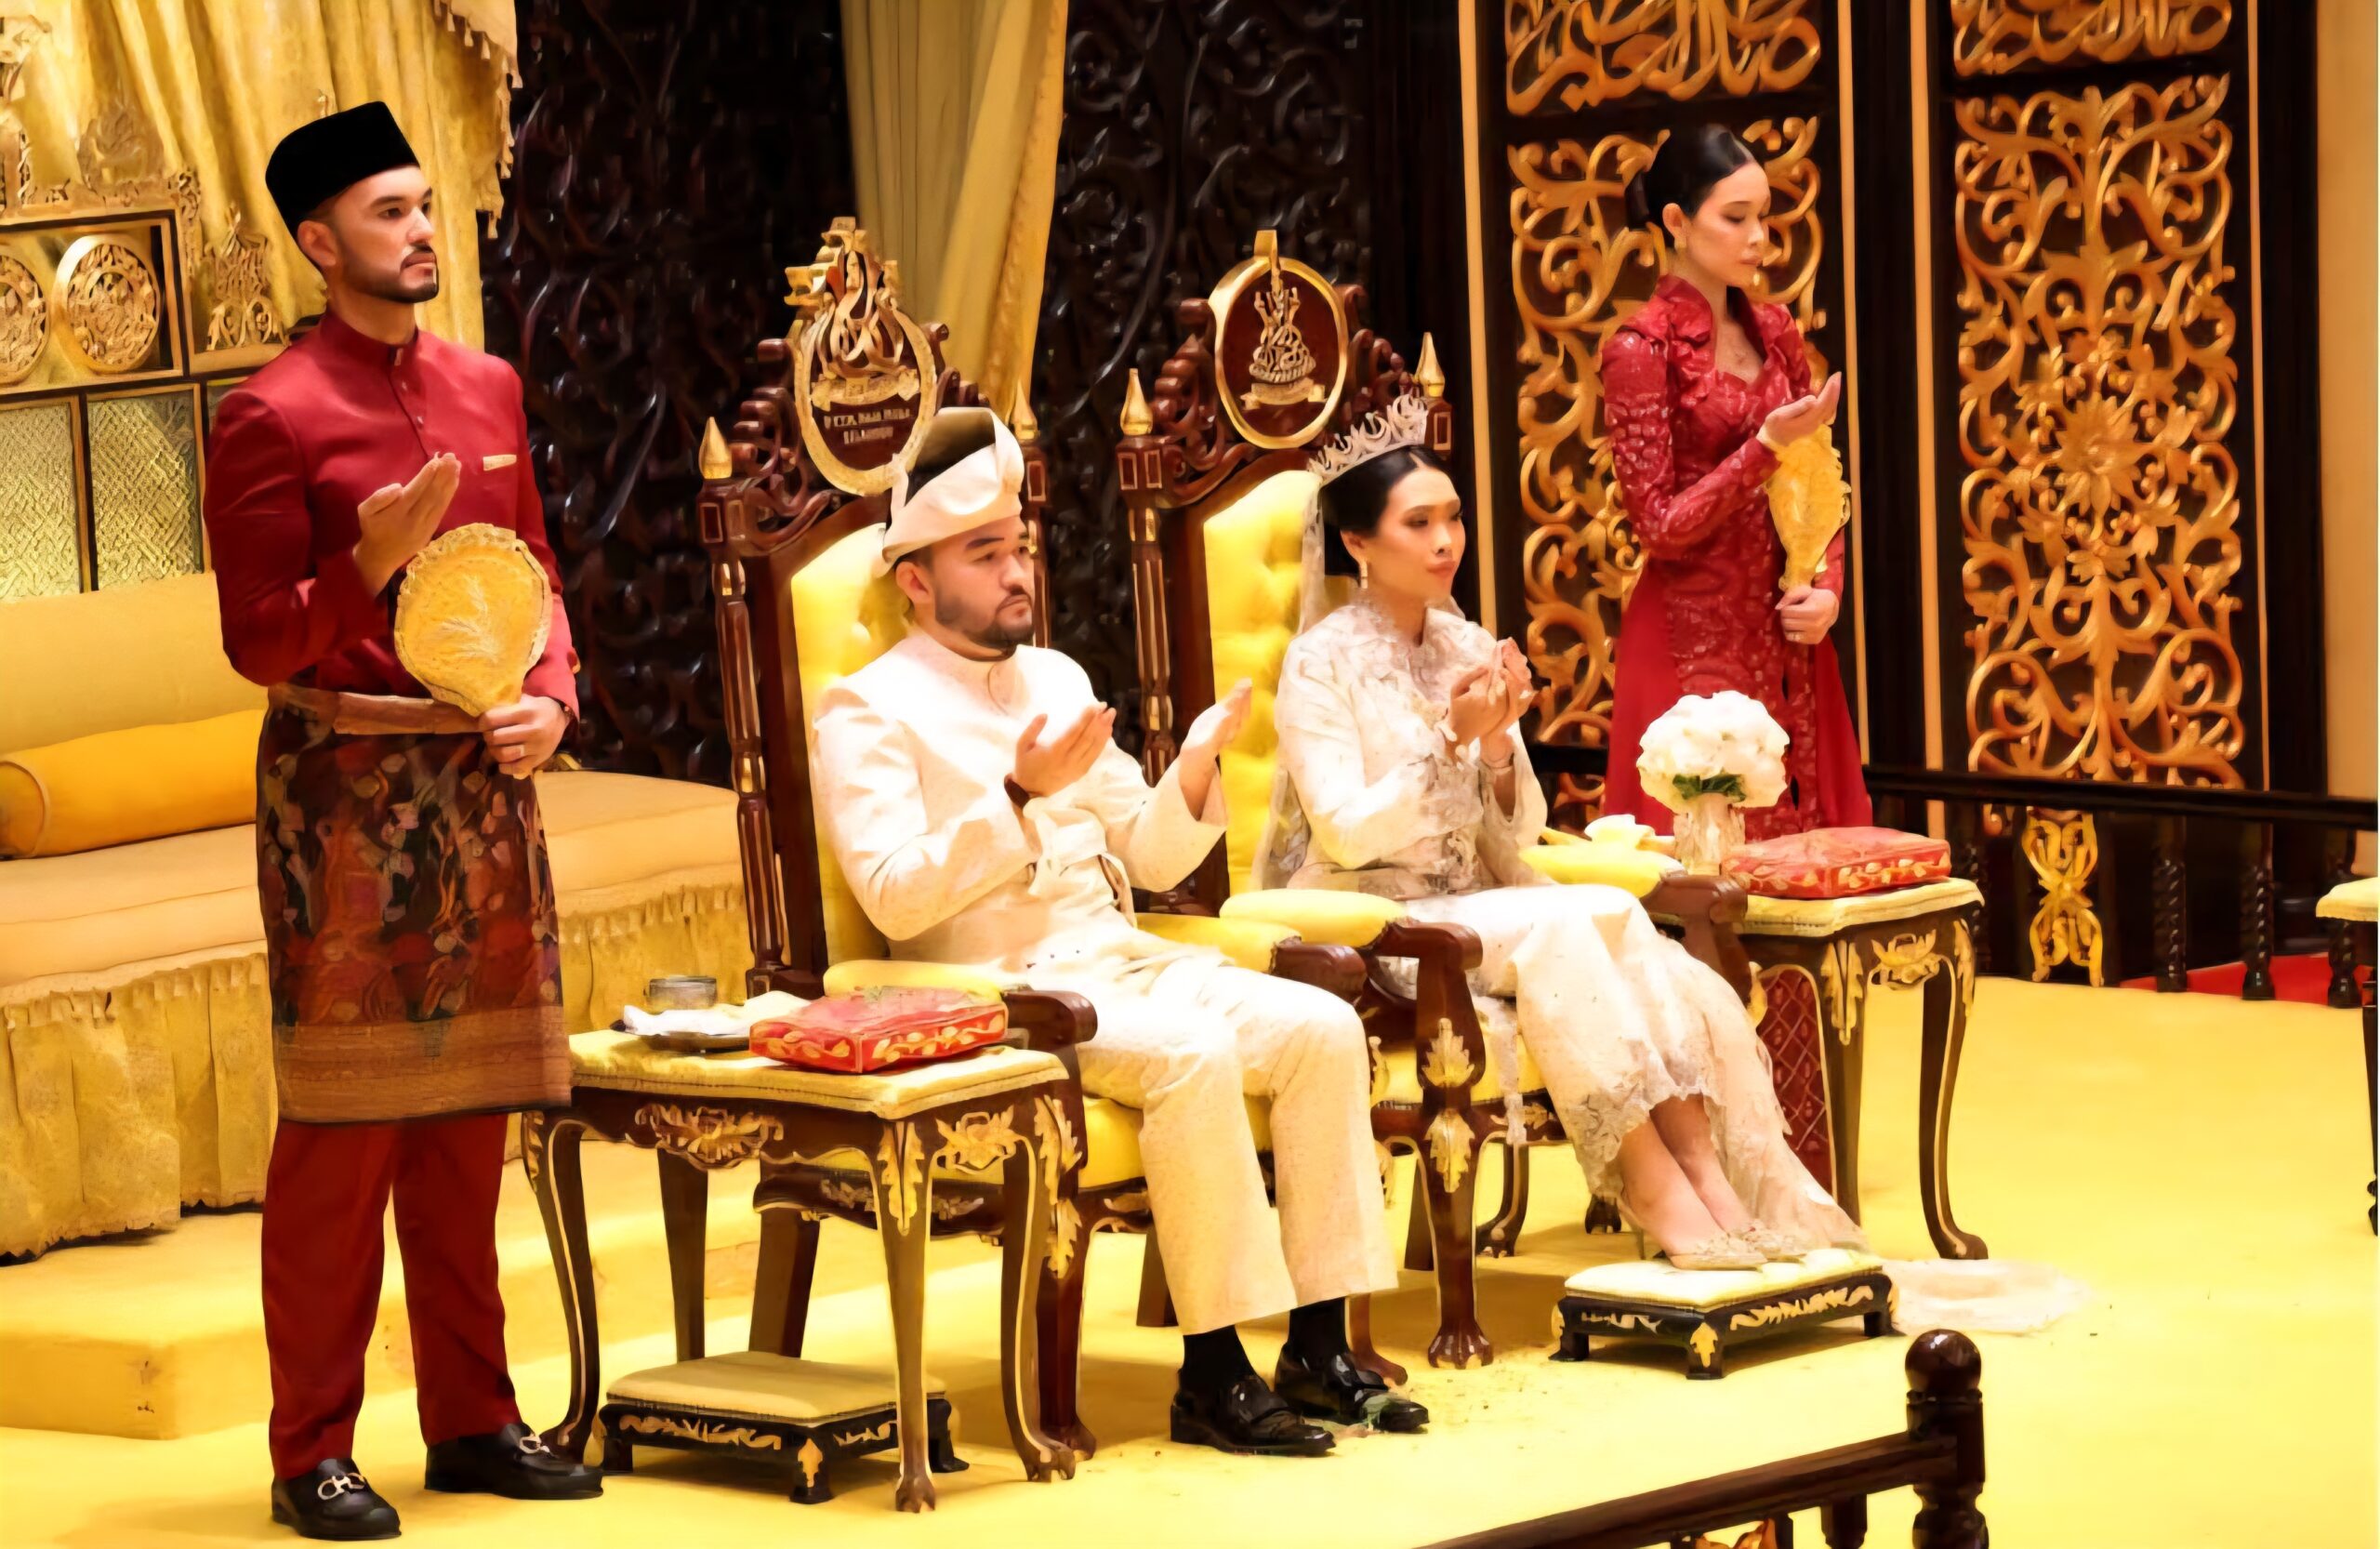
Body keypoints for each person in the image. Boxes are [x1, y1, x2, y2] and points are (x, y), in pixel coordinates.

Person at [809, 406, 1425, 1456]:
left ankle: (1319, 1350)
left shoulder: (1054, 678)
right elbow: (892, 898)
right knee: (1193, 1055)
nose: (1017, 573)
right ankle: (1214, 1374)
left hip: (1123, 959)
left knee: (1322, 1028)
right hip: (1003, 990)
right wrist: (1012, 798)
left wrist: (1193, 767)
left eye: (1018, 549)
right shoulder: (866, 707)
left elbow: (1148, 856)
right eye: (984, 555)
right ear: (915, 578)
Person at [203, 103, 600, 1541]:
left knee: (468, 1122)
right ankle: (310, 1445)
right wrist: (361, 569)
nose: (423, 230)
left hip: (482, 782)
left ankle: (474, 1419)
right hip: (342, 795)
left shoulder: (487, 386)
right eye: (390, 211)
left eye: (427, 205)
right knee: (343, 1131)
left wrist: (551, 697)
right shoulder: (269, 414)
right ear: (320, 242)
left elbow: (533, 571)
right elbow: (257, 639)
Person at [1262, 392, 1862, 1269]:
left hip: (1481, 902)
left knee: (1621, 923)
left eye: (1453, 518)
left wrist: (1496, 749)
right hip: (1378, 914)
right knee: (1568, 924)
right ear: (1357, 542)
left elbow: (1521, 832)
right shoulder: (1318, 663)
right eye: (1418, 523)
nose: (1446, 541)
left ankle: (1710, 1182)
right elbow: (1346, 834)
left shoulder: (1465, 640)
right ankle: (1656, 1191)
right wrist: (1449, 739)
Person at [1599, 124, 1871, 839]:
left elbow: (1817, 485)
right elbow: (1659, 527)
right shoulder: (1640, 350)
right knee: (1705, 858)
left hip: (1786, 632)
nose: (1758, 238)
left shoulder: (1775, 332)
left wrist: (1829, 586)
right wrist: (1764, 447)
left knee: (1807, 853)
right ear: (1677, 221)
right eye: (1736, 217)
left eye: (1764, 217)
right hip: (1689, 637)